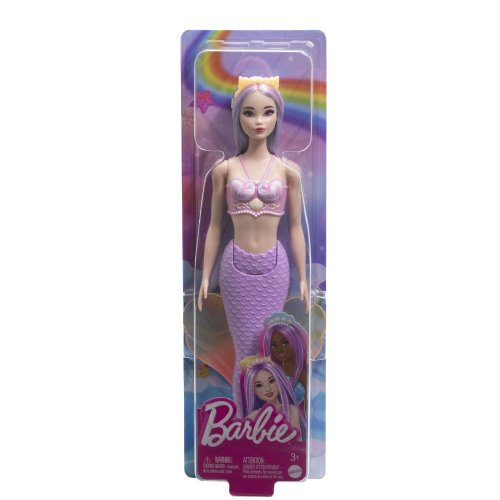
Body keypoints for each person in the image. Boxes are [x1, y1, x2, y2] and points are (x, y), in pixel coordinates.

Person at [197, 75, 309, 416]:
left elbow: (295, 227)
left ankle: (271, 420)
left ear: (278, 115)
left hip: (274, 269)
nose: (259, 120)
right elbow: (215, 225)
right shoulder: (224, 169)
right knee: (244, 351)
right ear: (238, 117)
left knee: (268, 351)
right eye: (249, 112)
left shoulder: (289, 171)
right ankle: (243, 419)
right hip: (235, 269)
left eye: (267, 112)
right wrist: (205, 276)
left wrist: (304, 278)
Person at [240, 356, 306, 440]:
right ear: (253, 390)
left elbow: (297, 440)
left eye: (271, 381)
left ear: (279, 380)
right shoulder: (253, 416)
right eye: (259, 385)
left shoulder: (292, 410)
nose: (268, 389)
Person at [260, 314, 308, 406]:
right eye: (273, 345)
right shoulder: (274, 371)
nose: (279, 350)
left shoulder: (302, 372)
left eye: (285, 343)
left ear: (295, 342)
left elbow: (309, 400)